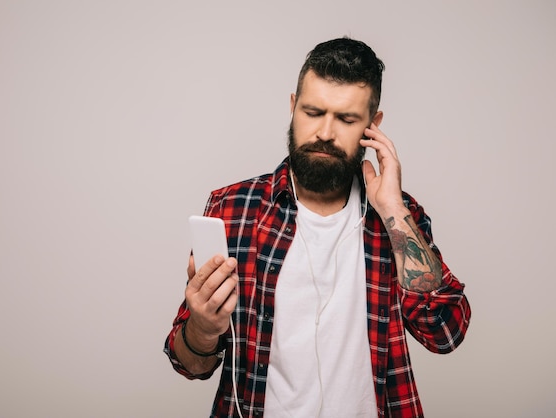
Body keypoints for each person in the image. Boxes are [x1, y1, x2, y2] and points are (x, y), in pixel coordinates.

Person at [164, 37, 471, 418]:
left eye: (345, 119)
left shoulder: (397, 219)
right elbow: (189, 364)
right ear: (293, 107)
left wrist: (392, 207)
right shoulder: (232, 209)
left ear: (373, 126)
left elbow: (445, 333)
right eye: (312, 112)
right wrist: (204, 328)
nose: (325, 132)